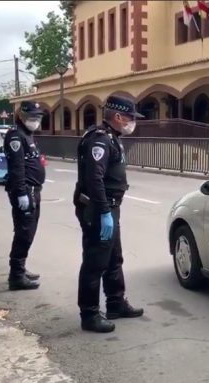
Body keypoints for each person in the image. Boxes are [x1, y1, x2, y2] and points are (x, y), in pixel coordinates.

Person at [73, 95, 145, 333]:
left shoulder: (112, 137)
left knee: (114, 257)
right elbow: (95, 179)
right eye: (130, 118)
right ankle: (89, 314)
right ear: (117, 117)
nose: (133, 122)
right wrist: (104, 211)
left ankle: (115, 302)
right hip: (98, 208)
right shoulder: (99, 140)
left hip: (110, 207)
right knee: (95, 262)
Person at [4, 100, 46, 291]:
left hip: (33, 190)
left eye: (38, 117)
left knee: (28, 231)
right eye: (31, 117)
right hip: (25, 190)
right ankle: (16, 276)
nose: (35, 121)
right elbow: (17, 167)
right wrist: (21, 193)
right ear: (21, 115)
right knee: (24, 232)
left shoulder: (28, 135)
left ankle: (21, 268)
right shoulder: (16, 135)